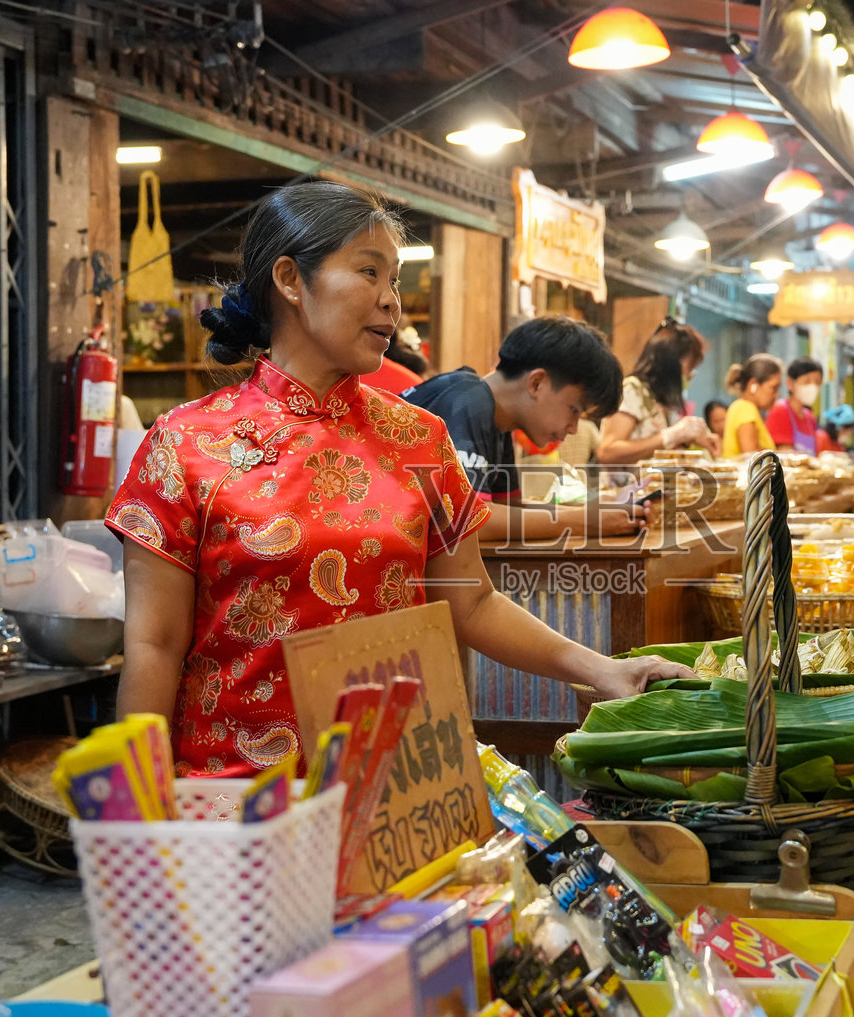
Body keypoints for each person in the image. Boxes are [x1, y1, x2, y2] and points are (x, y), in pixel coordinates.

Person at [106, 180, 687, 775]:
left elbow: (475, 602)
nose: (392, 302)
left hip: (398, 790)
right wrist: (138, 808)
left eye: (396, 280)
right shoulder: (185, 444)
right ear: (289, 280)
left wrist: (603, 669)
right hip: (239, 802)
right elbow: (154, 646)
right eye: (369, 272)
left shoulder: (419, 437)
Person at [404, 316, 636, 541]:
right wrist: (583, 521)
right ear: (537, 383)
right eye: (574, 410)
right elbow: (468, 523)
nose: (574, 429)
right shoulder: (468, 399)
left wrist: (595, 509)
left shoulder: (499, 417)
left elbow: (506, 508)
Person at [595, 319, 718, 465]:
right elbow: (607, 452)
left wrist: (687, 439)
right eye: (689, 368)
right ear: (671, 364)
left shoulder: (663, 402)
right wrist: (674, 434)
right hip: (623, 487)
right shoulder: (632, 390)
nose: (690, 375)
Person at [721, 355, 783, 458]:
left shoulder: (746, 408)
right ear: (753, 385)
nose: (777, 395)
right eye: (774, 388)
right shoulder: (745, 408)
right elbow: (751, 455)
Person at [765, 358, 827, 455]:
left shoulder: (810, 417)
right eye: (807, 381)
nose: (813, 386)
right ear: (790, 383)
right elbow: (784, 455)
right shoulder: (780, 410)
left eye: (817, 382)